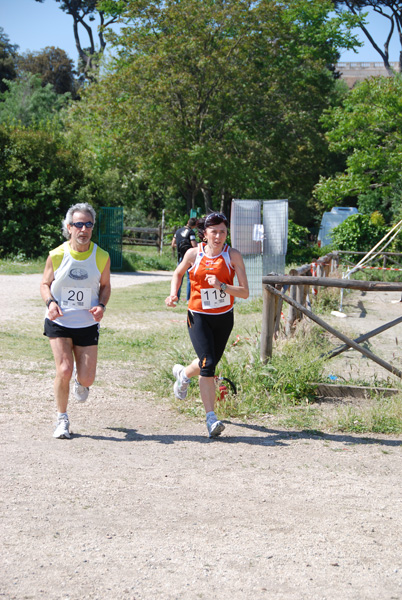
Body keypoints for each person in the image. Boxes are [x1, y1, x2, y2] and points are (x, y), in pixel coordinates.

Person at [165, 212, 249, 438]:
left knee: (206, 362)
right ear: (204, 234)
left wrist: (223, 286)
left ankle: (183, 375)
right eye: (214, 232)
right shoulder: (194, 254)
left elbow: (245, 292)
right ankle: (211, 418)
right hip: (198, 315)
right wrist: (173, 294)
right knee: (209, 364)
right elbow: (178, 273)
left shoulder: (233, 255)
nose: (219, 236)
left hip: (223, 317)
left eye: (223, 231)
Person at [40, 202, 111, 439]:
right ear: (69, 227)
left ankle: (83, 383)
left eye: (88, 224)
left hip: (87, 323)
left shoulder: (101, 256)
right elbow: (44, 284)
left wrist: (101, 306)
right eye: (78, 224)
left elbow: (105, 286)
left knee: (87, 377)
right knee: (64, 369)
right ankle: (62, 419)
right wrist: (50, 302)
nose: (84, 229)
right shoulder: (57, 255)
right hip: (59, 321)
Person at [171, 217, 197, 301]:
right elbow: (194, 245)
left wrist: (179, 247)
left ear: (187, 222)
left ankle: (176, 297)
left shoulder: (178, 231)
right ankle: (189, 298)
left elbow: (173, 244)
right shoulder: (191, 232)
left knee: (179, 276)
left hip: (180, 257)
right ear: (195, 225)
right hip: (189, 258)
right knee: (190, 279)